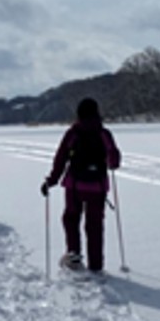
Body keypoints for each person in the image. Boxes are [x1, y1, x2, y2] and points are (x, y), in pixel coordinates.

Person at [42, 97, 123, 273]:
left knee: (71, 219)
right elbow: (114, 160)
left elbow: (61, 159)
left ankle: (74, 256)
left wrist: (52, 180)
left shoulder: (73, 133)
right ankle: (96, 265)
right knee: (95, 225)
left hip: (74, 186)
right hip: (98, 187)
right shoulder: (103, 133)